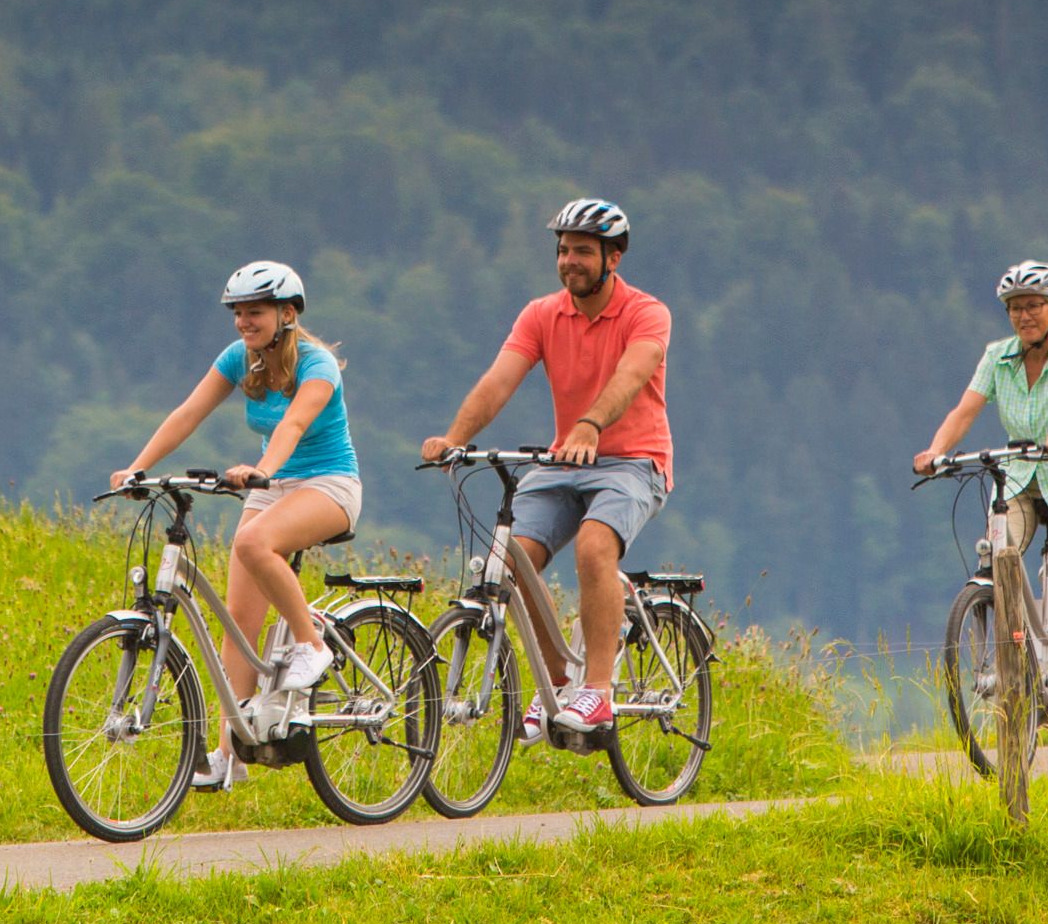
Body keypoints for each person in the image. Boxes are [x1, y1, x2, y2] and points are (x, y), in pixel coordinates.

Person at [421, 198, 672, 740]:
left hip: (632, 462)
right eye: (562, 251)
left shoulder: (646, 314)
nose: (569, 261)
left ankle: (597, 696)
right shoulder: (541, 314)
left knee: (593, 547)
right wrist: (455, 440)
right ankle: (557, 684)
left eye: (583, 251)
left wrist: (589, 426)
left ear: (614, 258)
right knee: (507, 564)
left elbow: (631, 377)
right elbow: (498, 381)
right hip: (564, 462)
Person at [112, 261, 361, 789]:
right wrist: (140, 466)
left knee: (253, 540)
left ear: (287, 314)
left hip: (329, 484)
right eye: (238, 313)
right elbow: (189, 412)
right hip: (270, 484)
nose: (243, 322)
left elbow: (294, 423)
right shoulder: (239, 359)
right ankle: (230, 753)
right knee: (237, 623)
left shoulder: (318, 366)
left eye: (255, 312)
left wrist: (264, 471)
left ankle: (311, 645)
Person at [914, 260, 1048, 694]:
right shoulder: (996, 356)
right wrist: (935, 451)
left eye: (1034, 306)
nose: (1024, 315)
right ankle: (1017, 657)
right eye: (1015, 308)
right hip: (1020, 478)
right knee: (996, 556)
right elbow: (965, 410)